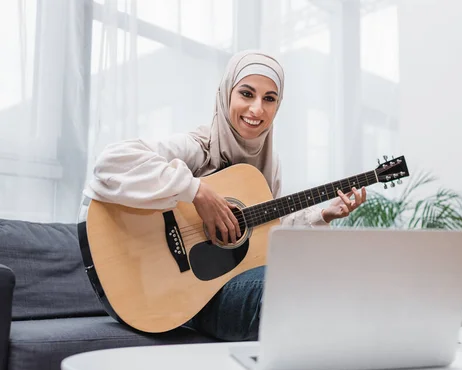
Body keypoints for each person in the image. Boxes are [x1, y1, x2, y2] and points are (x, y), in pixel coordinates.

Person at [83, 50, 367, 341]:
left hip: (225, 284)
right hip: (180, 293)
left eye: (269, 99)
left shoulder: (271, 165)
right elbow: (110, 162)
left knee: (322, 277)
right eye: (246, 93)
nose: (257, 109)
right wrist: (197, 192)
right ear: (226, 94)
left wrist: (322, 215)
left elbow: (266, 236)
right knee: (290, 288)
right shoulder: (200, 146)